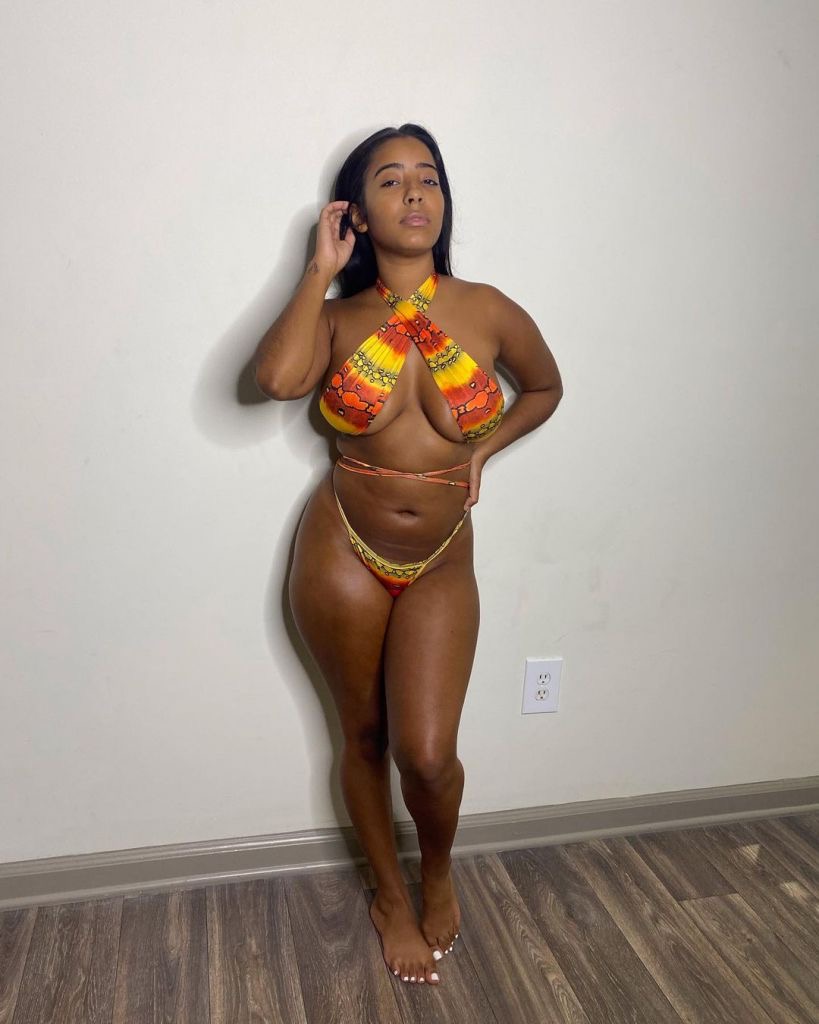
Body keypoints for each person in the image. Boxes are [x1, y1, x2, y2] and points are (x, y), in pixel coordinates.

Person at [254, 124, 563, 987]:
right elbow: (275, 381)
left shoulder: (486, 309)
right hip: (341, 549)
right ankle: (389, 895)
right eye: (389, 181)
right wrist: (317, 269)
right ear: (355, 212)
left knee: (425, 755)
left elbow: (545, 386)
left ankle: (437, 868)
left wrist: (482, 450)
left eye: (428, 177)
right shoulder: (335, 317)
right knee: (362, 735)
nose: (415, 192)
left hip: (440, 556)